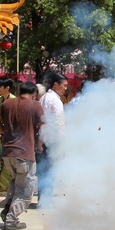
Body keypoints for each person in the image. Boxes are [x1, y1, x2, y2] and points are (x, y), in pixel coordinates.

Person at [0, 81, 43, 230]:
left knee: (15, 183)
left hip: (8, 153)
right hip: (25, 153)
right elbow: (44, 126)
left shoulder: (7, 103)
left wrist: (4, 132)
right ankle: (11, 220)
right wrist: (39, 144)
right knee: (26, 190)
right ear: (34, 94)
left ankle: (8, 209)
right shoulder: (35, 105)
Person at [37, 71, 68, 208]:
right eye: (64, 85)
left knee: (43, 170)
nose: (65, 88)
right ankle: (46, 201)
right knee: (49, 170)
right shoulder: (55, 101)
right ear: (56, 85)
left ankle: (42, 199)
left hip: (43, 139)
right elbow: (59, 123)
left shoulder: (44, 98)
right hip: (52, 140)